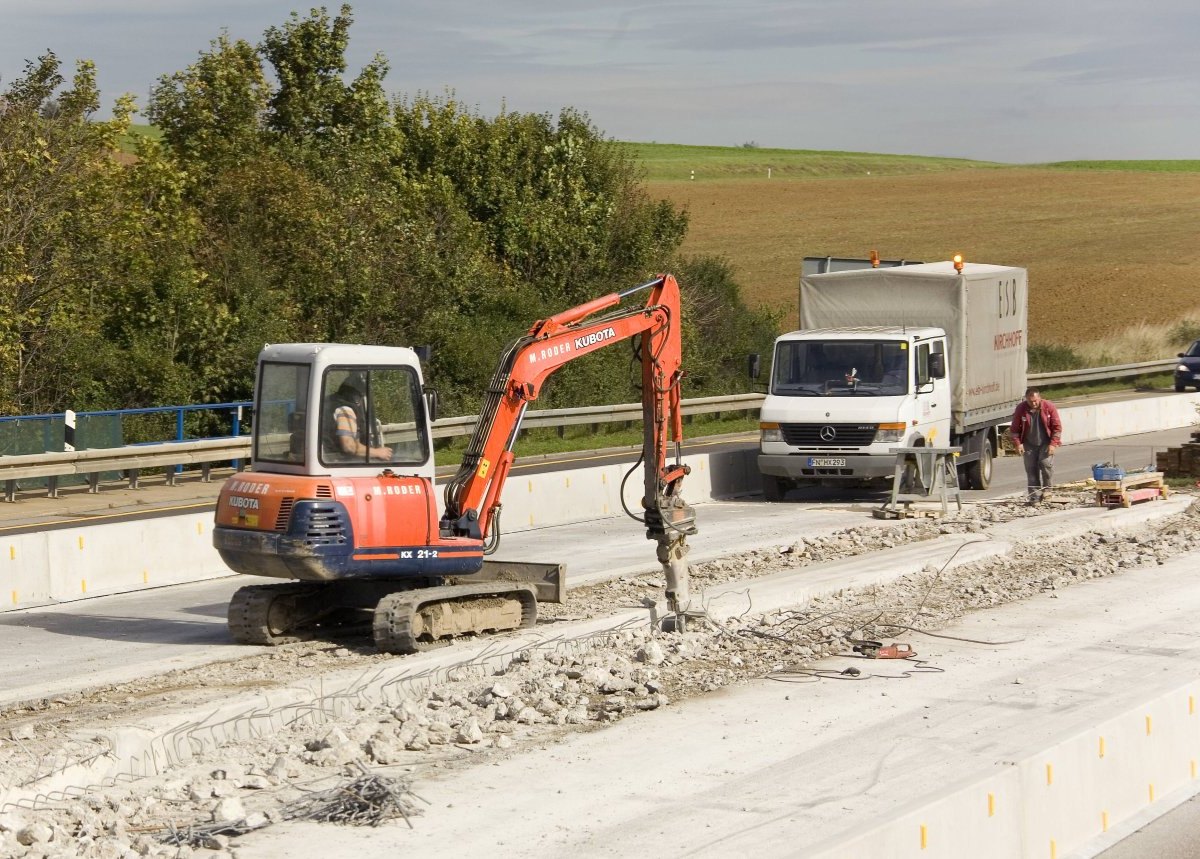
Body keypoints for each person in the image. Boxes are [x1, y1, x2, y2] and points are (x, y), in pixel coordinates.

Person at [1009, 387, 1062, 504]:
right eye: (1030, 401)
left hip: (1045, 443)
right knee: (1031, 469)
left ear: (1040, 398)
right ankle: (1035, 496)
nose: (1033, 403)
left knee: (1046, 465)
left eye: (1035, 401)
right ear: (1026, 399)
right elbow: (1014, 430)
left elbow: (1057, 427)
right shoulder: (1021, 409)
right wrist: (1018, 444)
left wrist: (1053, 444)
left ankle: (1047, 490)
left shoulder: (1049, 407)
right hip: (1029, 444)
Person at [325, 371, 392, 462]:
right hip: (341, 463)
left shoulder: (331, 403)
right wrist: (378, 452)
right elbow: (349, 446)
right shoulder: (346, 411)